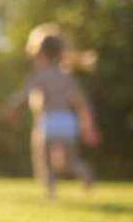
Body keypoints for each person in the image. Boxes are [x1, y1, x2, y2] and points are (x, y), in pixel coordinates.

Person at [5, 27, 101, 198]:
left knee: (44, 158)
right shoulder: (67, 77)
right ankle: (85, 174)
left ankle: (50, 191)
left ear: (40, 55)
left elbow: (24, 95)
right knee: (71, 161)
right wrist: (88, 125)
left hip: (48, 121)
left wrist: (13, 108)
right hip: (67, 121)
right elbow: (81, 104)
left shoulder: (40, 76)